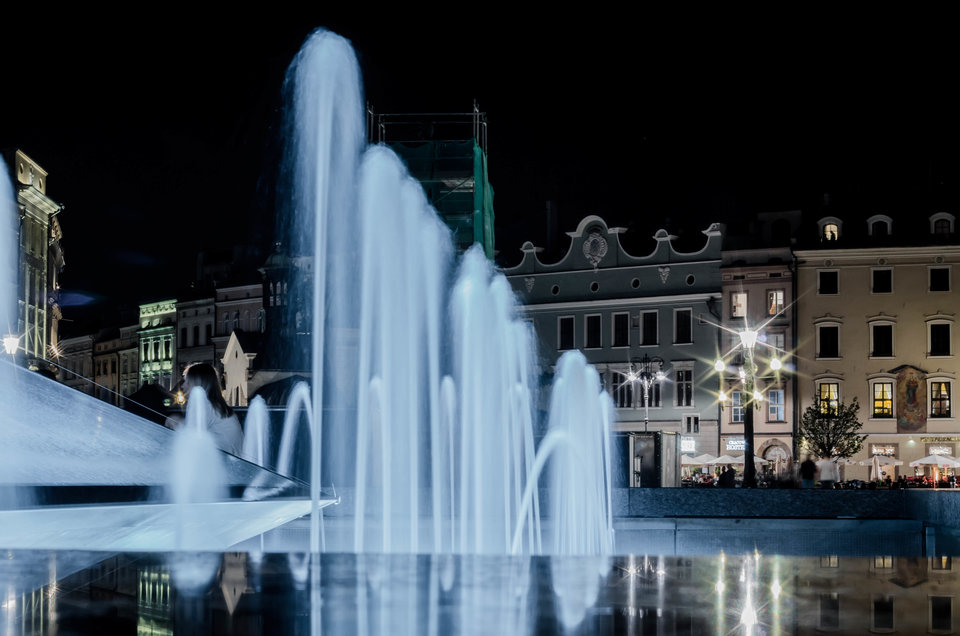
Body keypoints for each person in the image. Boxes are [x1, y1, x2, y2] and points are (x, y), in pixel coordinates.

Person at [166, 363, 243, 455]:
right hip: (234, 460)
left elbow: (191, 437)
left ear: (197, 383)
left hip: (229, 464)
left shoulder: (205, 404)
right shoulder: (215, 405)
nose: (182, 386)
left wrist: (176, 422)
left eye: (187, 382)